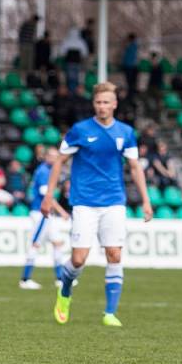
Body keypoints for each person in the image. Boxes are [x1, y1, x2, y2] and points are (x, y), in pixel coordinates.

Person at [41, 82, 152, 327]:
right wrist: (49, 195)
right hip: (84, 202)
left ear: (114, 104)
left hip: (114, 201)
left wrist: (146, 200)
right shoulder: (80, 130)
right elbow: (59, 162)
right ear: (94, 104)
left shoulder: (126, 132)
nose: (102, 106)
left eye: (106, 102)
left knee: (114, 254)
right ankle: (65, 291)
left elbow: (135, 167)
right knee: (79, 259)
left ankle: (110, 313)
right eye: (98, 102)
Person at [20, 147, 69, 290]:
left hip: (49, 214)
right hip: (41, 213)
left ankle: (60, 279)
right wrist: (62, 211)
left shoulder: (50, 171)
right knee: (35, 244)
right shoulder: (43, 172)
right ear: (47, 157)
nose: (55, 159)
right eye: (52, 156)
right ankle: (25, 279)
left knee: (57, 243)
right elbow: (47, 196)